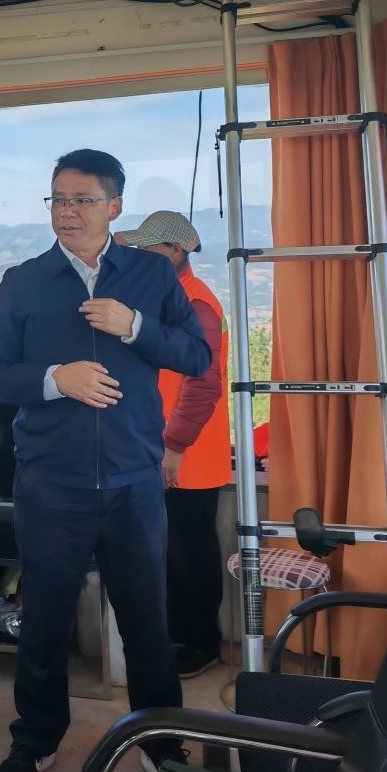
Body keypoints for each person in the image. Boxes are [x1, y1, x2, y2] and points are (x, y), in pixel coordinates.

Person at [0, 149, 209, 772]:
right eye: (58, 199)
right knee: (44, 622)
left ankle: (163, 742)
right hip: (50, 485)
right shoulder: (24, 280)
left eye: (82, 200)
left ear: (115, 207)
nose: (67, 212)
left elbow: (196, 356)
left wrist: (136, 327)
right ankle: (35, 738)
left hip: (134, 484)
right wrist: (56, 379)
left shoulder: (151, 277)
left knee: (147, 622)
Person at [115, 210, 230, 679]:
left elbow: (203, 386)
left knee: (190, 554)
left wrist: (174, 446)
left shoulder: (196, 303)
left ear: (176, 251)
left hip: (186, 456)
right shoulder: (168, 296)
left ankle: (201, 644)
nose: (142, 256)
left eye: (150, 249)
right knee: (167, 553)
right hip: (162, 451)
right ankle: (175, 638)